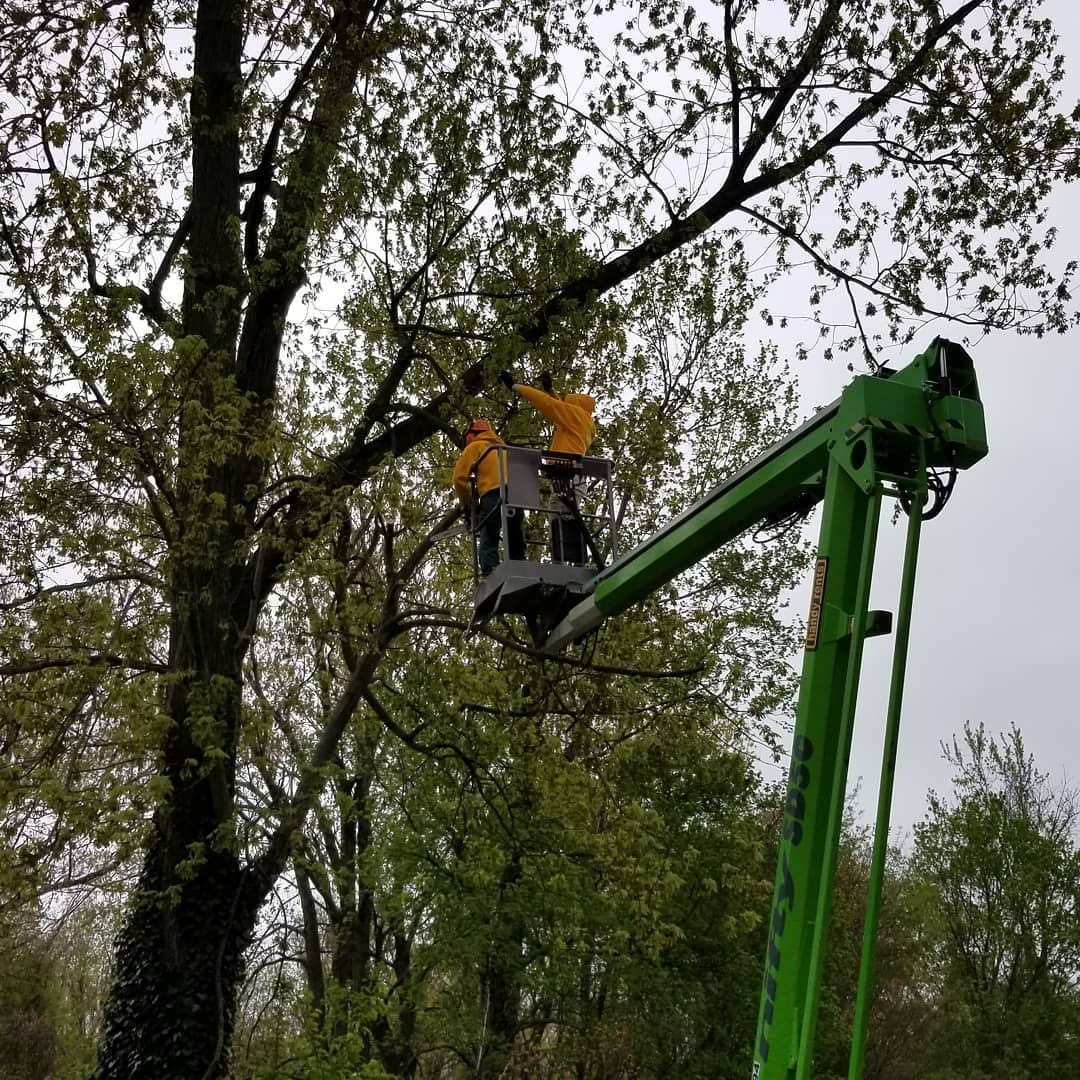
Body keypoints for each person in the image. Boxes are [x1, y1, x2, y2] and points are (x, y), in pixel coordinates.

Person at [499, 370, 597, 564]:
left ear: (574, 406)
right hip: (568, 477)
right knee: (562, 516)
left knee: (562, 518)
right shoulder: (582, 420)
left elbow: (549, 404)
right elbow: (560, 405)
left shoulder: (575, 415)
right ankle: (569, 561)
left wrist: (515, 387)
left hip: (567, 478)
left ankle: (565, 562)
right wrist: (550, 389)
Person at [452, 419, 525, 576]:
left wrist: (469, 503)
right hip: (516, 494)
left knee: (489, 535)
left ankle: (491, 570)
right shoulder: (504, 448)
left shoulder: (475, 446)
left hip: (493, 495)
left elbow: (459, 479)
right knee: (515, 534)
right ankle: (519, 568)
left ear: (472, 434)